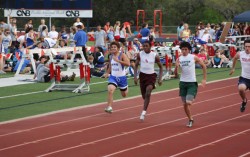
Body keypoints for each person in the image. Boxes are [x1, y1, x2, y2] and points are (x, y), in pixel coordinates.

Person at [174, 42, 207, 127]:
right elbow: (176, 75)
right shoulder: (179, 59)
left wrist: (204, 79)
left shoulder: (193, 57)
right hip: (182, 83)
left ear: (189, 50)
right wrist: (176, 67)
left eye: (186, 49)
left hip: (192, 83)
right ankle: (190, 119)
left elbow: (204, 66)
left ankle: (191, 97)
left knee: (188, 102)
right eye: (182, 49)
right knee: (185, 104)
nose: (184, 51)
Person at [134, 41, 163, 121]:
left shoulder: (155, 55)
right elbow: (136, 66)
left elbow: (161, 67)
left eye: (147, 46)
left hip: (151, 76)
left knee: (148, 92)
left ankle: (143, 112)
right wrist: (135, 77)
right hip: (142, 76)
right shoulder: (140, 54)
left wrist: (160, 78)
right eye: (144, 46)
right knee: (144, 96)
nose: (145, 47)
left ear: (150, 46)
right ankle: (152, 87)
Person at [103, 41, 130, 113]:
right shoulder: (111, 56)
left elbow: (128, 63)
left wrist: (118, 60)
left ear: (118, 48)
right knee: (110, 90)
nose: (113, 48)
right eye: (111, 47)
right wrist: (107, 73)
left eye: (114, 47)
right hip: (113, 77)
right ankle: (109, 107)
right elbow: (111, 66)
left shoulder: (122, 55)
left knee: (124, 95)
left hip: (122, 78)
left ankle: (126, 87)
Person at [229, 39, 250, 112]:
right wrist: (233, 68)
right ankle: (244, 100)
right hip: (244, 78)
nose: (247, 48)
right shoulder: (240, 54)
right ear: (244, 46)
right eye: (246, 46)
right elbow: (234, 58)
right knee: (241, 89)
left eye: (249, 46)